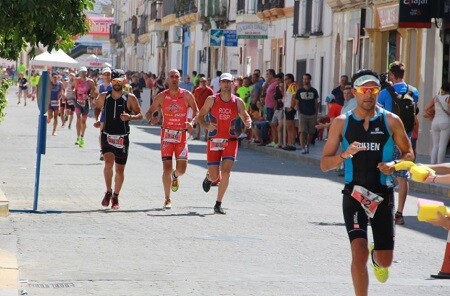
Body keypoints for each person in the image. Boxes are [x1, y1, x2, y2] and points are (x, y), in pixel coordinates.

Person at [320, 69, 414, 295]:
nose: (369, 95)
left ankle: (377, 256)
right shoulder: (341, 123)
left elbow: (409, 153)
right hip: (354, 195)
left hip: (383, 194)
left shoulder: (391, 120)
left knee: (385, 260)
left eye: (373, 90)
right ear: (354, 93)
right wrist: (344, 155)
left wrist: (394, 165)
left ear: (378, 92)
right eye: (364, 90)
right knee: (358, 252)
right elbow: (324, 164)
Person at [198, 73, 252, 215]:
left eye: (229, 82)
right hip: (214, 140)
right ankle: (210, 177)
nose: (226, 85)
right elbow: (200, 115)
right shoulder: (212, 100)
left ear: (233, 83)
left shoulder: (238, 101)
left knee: (226, 171)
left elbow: (244, 115)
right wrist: (206, 125)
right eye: (224, 82)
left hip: (231, 140)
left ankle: (218, 203)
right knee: (215, 175)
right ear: (220, 84)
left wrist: (248, 121)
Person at [145, 69, 198, 209]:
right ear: (167, 79)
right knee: (166, 168)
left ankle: (176, 176)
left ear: (179, 79)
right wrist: (152, 119)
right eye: (171, 77)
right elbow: (149, 112)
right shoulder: (162, 96)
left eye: (176, 77)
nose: (174, 79)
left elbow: (197, 111)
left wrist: (192, 122)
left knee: (182, 170)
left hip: (181, 137)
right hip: (167, 137)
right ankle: (167, 198)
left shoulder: (187, 95)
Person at [377, 61, 419, 225]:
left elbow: (378, 115)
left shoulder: (385, 92)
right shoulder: (413, 91)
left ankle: (381, 211)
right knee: (403, 178)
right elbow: (414, 113)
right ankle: (399, 214)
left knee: (382, 174)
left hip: (388, 139)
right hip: (406, 140)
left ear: (392, 75)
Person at [94, 69, 142, 210]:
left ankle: (115, 195)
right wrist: (98, 120)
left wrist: (130, 117)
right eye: (114, 81)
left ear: (124, 81)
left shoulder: (130, 98)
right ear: (111, 82)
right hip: (107, 135)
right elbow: (97, 108)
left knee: (120, 171)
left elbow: (140, 115)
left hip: (122, 138)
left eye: (119, 81)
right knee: (108, 164)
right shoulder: (104, 96)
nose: (116, 84)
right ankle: (108, 192)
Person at [423, 82, 450, 164]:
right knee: (442, 146)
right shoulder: (448, 98)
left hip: (435, 122)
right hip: (446, 122)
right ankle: (439, 165)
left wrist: (432, 114)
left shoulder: (436, 98)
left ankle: (432, 165)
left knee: (435, 145)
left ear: (441, 88)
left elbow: (426, 108)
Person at [294, 73, 320, 154]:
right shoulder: (299, 91)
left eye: (306, 79)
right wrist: (299, 113)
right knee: (302, 131)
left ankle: (307, 146)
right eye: (303, 79)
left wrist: (316, 114)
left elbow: (316, 103)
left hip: (312, 114)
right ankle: (302, 147)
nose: (305, 80)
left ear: (309, 80)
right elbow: (297, 102)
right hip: (302, 114)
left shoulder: (314, 90)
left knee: (311, 132)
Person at [74, 66, 96, 148]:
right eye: (81, 72)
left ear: (87, 73)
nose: (83, 74)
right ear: (79, 73)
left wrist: (89, 95)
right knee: (78, 118)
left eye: (84, 72)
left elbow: (94, 91)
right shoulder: (77, 80)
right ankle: (77, 137)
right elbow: (75, 89)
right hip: (78, 102)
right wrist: (74, 97)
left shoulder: (90, 82)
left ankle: (82, 138)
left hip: (86, 103)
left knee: (83, 121)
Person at [282, 73, 298, 151]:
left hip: (290, 108)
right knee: (289, 127)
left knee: (291, 126)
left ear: (290, 79)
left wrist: (291, 107)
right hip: (287, 107)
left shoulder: (293, 85)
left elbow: (294, 96)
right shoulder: (289, 87)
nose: (285, 81)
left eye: (286, 79)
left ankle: (292, 143)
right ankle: (289, 143)